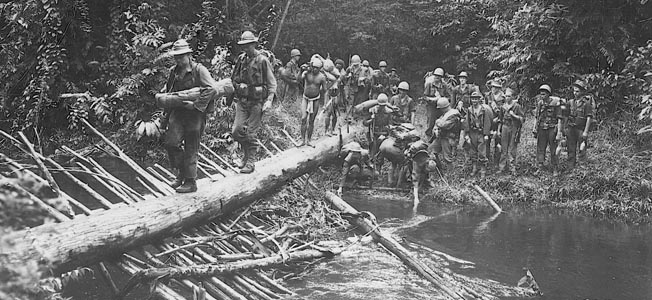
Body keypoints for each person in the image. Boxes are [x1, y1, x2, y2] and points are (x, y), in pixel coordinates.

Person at [161, 39, 222, 193]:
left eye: (181, 56)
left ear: (189, 55)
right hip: (177, 113)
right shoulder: (173, 72)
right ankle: (182, 173)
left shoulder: (199, 70)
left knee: (191, 147)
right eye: (176, 57)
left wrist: (195, 105)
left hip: (195, 115)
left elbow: (212, 89)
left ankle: (190, 181)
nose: (179, 60)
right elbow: (170, 95)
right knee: (171, 143)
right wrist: (164, 118)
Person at [231, 31, 277, 174]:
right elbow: (233, 79)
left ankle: (250, 162)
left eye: (248, 45)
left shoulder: (262, 60)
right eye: (243, 45)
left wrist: (269, 100)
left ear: (254, 44)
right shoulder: (241, 59)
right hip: (242, 101)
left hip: (257, 102)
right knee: (236, 131)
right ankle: (246, 155)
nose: (245, 48)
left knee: (251, 134)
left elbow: (272, 82)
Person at [534, 84, 563, 176]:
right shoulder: (540, 103)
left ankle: (555, 167)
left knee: (553, 148)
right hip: (542, 128)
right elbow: (537, 116)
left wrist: (559, 132)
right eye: (541, 94)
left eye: (544, 94)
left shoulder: (555, 104)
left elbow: (559, 118)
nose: (542, 96)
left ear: (548, 94)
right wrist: (534, 128)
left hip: (552, 128)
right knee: (540, 147)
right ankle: (540, 165)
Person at [298, 57, 328, 147]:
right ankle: (302, 140)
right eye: (313, 67)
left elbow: (325, 91)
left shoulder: (321, 77)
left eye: (317, 68)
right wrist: (300, 71)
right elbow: (298, 79)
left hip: (315, 100)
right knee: (304, 118)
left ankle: (309, 140)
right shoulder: (307, 73)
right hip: (305, 98)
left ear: (320, 69)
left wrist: (325, 104)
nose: (315, 69)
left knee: (311, 120)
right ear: (311, 66)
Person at [463, 92, 493, 178]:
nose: (474, 101)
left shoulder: (484, 110)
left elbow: (487, 122)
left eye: (476, 99)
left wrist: (486, 134)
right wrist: (467, 134)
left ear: (479, 100)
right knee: (473, 151)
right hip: (473, 133)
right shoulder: (469, 110)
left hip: (481, 133)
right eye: (473, 99)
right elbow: (467, 122)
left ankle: (483, 169)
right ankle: (474, 168)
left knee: (482, 151)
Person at [565, 79, 595, 169]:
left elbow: (589, 117)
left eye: (577, 91)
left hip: (581, 129)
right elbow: (566, 115)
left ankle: (582, 167)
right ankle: (570, 166)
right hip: (571, 128)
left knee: (582, 148)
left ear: (581, 92)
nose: (575, 93)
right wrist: (564, 128)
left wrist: (586, 131)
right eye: (574, 91)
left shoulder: (586, 104)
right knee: (570, 147)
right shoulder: (570, 102)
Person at [428, 97, 461, 175]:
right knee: (431, 151)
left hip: (449, 138)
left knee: (447, 158)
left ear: (444, 107)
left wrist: (437, 122)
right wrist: (435, 129)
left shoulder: (454, 115)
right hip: (441, 137)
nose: (440, 110)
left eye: (441, 108)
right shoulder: (444, 114)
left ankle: (451, 175)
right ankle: (440, 171)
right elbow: (437, 126)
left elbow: (444, 125)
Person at [497, 88, 524, 174]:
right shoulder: (503, 107)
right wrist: (498, 130)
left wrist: (514, 115)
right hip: (505, 127)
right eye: (506, 96)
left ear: (513, 97)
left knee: (512, 148)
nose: (507, 98)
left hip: (513, 128)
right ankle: (502, 167)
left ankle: (512, 168)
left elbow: (522, 119)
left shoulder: (517, 106)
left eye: (509, 96)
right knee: (503, 148)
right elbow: (500, 120)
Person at [423, 67, 452, 139]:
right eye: (435, 75)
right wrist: (432, 99)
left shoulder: (444, 85)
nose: (437, 77)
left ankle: (439, 137)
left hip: (441, 107)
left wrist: (442, 99)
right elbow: (425, 97)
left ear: (441, 77)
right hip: (431, 106)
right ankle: (428, 136)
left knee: (442, 122)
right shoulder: (429, 84)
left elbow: (449, 97)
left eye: (439, 76)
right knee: (431, 122)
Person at [363, 93, 394, 158]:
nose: (381, 107)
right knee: (373, 149)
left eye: (383, 106)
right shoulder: (372, 110)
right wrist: (371, 119)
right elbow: (365, 123)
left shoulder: (389, 112)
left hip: (385, 134)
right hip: (374, 134)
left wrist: (388, 129)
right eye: (380, 105)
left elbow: (391, 124)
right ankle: (371, 160)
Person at [324, 59, 346, 136]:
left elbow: (339, 80)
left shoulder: (341, 74)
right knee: (328, 112)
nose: (337, 66)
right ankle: (326, 130)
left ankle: (332, 129)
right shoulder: (330, 73)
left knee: (335, 114)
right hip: (329, 94)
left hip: (336, 94)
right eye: (336, 64)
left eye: (339, 65)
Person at [485, 80, 504, 167]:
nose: (493, 88)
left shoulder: (503, 97)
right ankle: (486, 160)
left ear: (499, 88)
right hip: (489, 121)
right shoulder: (488, 96)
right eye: (492, 86)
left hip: (500, 122)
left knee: (498, 142)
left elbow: (505, 111)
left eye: (495, 87)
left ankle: (497, 161)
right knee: (486, 140)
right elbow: (484, 108)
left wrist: (499, 118)